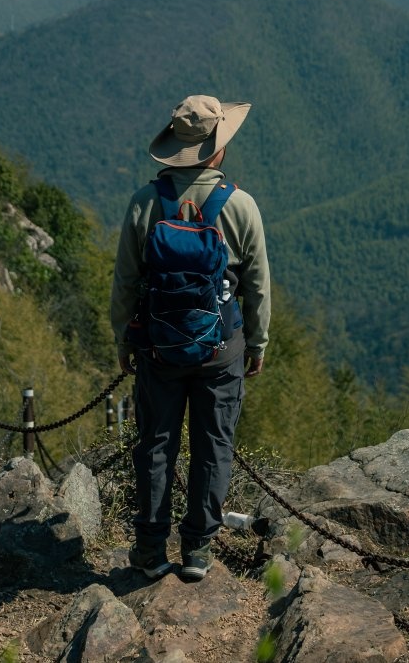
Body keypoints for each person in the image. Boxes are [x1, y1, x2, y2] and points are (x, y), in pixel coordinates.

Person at [111, 94, 271, 581]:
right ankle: (197, 550)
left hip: (159, 348)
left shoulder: (145, 203)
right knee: (213, 444)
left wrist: (124, 339)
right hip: (221, 348)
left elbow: (125, 281)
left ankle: (150, 550)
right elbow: (257, 285)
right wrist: (258, 343)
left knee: (156, 445)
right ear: (217, 150)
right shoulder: (240, 206)